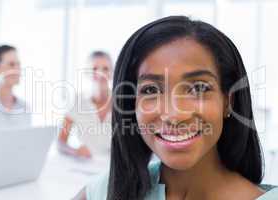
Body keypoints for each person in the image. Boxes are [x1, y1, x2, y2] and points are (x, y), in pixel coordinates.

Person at [75, 16, 278, 199]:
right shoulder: (106, 192)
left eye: (198, 88)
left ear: (228, 101)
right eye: (151, 90)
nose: (174, 115)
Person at [58, 51, 113, 158]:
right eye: (95, 69)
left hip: (114, 167)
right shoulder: (77, 102)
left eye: (105, 69)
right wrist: (74, 151)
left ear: (112, 72)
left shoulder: (123, 103)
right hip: (85, 166)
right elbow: (60, 142)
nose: (100, 73)